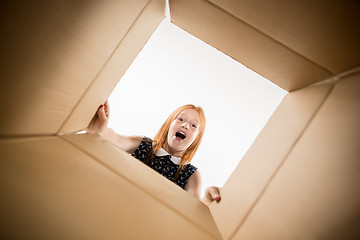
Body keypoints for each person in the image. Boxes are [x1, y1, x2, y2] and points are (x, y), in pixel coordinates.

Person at [87, 100, 221, 206]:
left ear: (196, 138)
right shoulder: (144, 145)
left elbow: (193, 210)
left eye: (193, 125)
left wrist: (208, 200)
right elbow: (116, 139)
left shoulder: (191, 175)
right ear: (170, 124)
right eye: (180, 119)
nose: (185, 125)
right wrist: (101, 128)